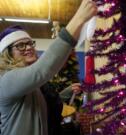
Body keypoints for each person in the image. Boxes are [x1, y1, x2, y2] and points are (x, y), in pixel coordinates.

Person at [0, 0, 97, 135]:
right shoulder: (7, 80)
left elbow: (42, 101)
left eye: (30, 43)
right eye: (20, 45)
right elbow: (43, 70)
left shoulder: (27, 80)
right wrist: (79, 18)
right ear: (7, 53)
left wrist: (66, 93)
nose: (28, 48)